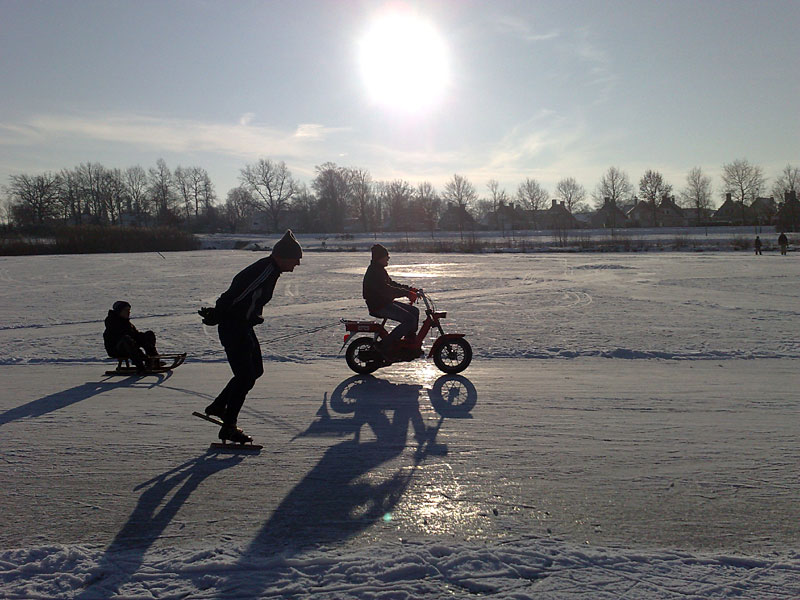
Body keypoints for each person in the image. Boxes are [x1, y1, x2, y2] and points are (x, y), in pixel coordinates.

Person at [202, 230, 302, 444]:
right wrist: (217, 315)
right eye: (296, 259)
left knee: (255, 370)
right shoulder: (265, 270)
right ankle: (228, 426)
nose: (297, 264)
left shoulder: (271, 270)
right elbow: (235, 294)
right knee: (245, 376)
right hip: (233, 327)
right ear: (283, 256)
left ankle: (219, 406)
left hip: (242, 326)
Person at [362, 244, 419, 360]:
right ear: (379, 258)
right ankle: (385, 345)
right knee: (410, 319)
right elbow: (387, 289)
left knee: (414, 311)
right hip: (379, 305)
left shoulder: (379, 270)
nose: (388, 258)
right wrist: (407, 293)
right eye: (386, 256)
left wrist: (409, 289)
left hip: (384, 302)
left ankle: (409, 342)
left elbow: (391, 284)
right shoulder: (374, 272)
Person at [103, 301, 159, 373]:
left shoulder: (126, 323)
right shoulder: (113, 323)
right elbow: (124, 338)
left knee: (148, 334)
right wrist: (141, 355)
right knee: (126, 339)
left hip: (130, 346)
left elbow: (135, 335)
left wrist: (145, 338)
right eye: (126, 310)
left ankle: (153, 360)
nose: (128, 312)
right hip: (117, 349)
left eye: (129, 310)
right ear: (119, 311)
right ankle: (140, 367)